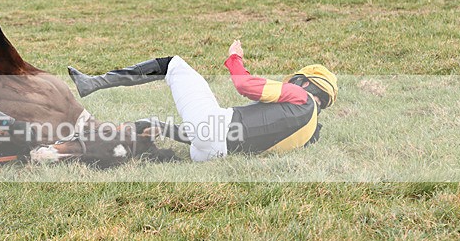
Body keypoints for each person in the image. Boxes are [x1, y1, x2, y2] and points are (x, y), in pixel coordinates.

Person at [67, 40, 338, 162]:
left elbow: (243, 85)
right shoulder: (310, 132)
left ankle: (94, 83)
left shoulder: (300, 95)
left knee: (173, 65)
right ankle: (142, 130)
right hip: (213, 155)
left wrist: (235, 58)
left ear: (305, 83)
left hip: (212, 129)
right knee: (158, 124)